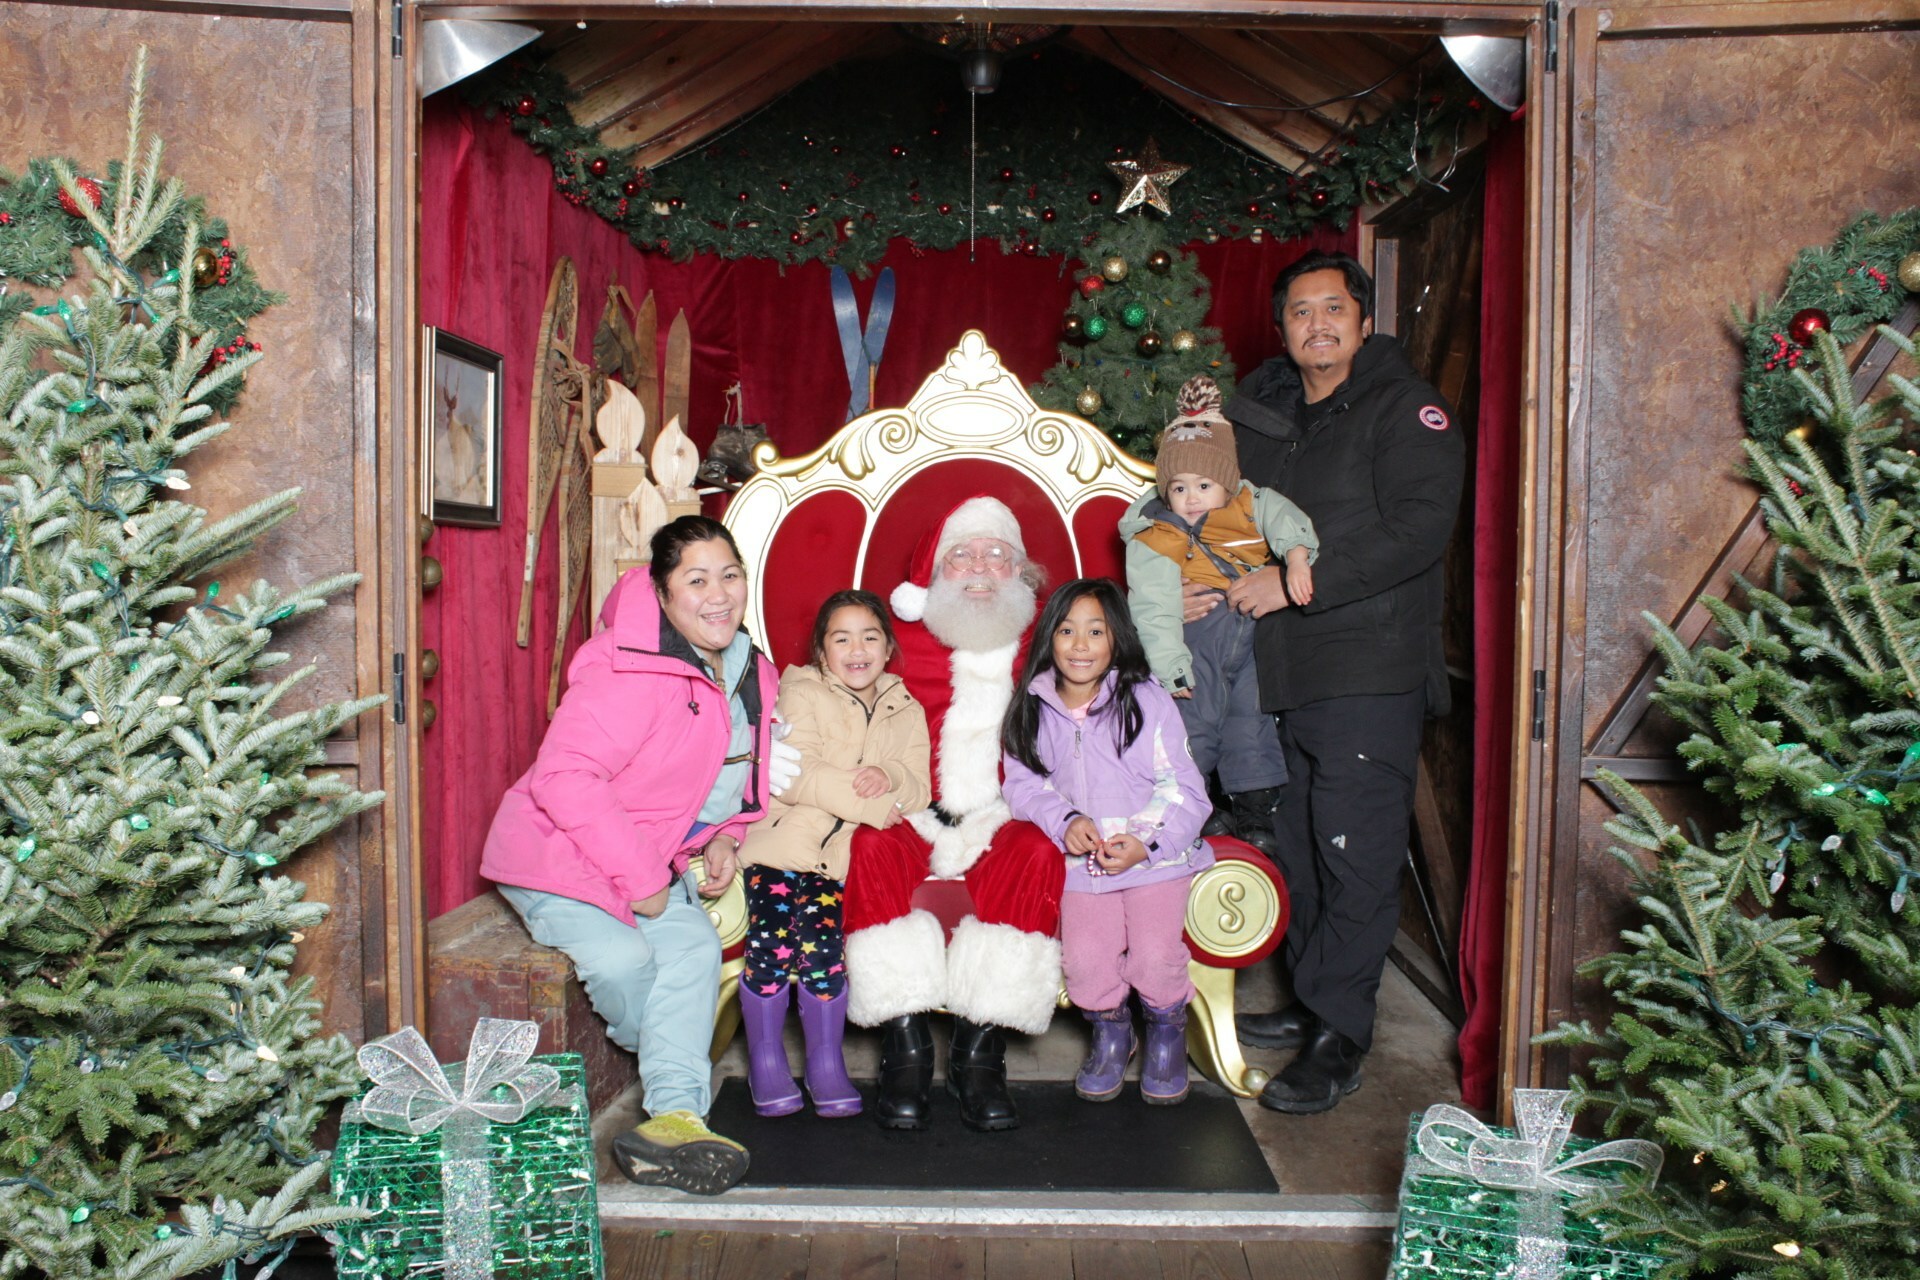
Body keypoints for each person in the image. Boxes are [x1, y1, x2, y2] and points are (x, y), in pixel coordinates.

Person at [1214, 249, 1465, 1115]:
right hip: (1280, 667)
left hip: (1367, 667)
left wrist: (1296, 583)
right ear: (1282, 329)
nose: (1316, 324)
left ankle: (1341, 1034)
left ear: (1363, 321)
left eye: (1332, 309)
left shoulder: (1405, 410)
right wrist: (1204, 579)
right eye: (1300, 312)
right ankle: (1315, 994)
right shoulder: (1272, 415)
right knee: (1300, 843)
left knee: (1354, 850)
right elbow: (1230, 522)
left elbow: (1420, 528)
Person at [479, 515, 777, 1194]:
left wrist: (724, 836)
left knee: (695, 948)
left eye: (730, 575)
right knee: (624, 961)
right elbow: (563, 778)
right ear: (663, 594)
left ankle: (675, 1120)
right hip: (556, 852)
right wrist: (644, 880)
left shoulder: (748, 672)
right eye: (696, 580)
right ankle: (676, 1077)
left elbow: (735, 779)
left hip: (646, 855)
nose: (719, 594)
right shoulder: (628, 669)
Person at [835, 495, 1065, 1133]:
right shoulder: (894, 635)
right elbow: (829, 681)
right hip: (911, 808)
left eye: (997, 554)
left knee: (1038, 852)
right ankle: (905, 1047)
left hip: (1006, 813)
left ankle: (978, 1053)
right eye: (962, 554)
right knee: (869, 847)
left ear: (1020, 571)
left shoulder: (1050, 636)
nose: (980, 568)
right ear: (935, 572)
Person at [1000, 579, 1214, 1106]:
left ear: (1117, 638)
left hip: (1155, 863)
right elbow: (1023, 785)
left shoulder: (1146, 699)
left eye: (1095, 632)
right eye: (1067, 631)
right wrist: (1065, 820)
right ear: (1049, 639)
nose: (1080, 645)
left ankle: (1166, 1032)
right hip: (1082, 866)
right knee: (1085, 963)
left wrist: (1145, 842)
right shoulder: (1033, 704)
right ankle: (1113, 1032)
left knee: (1155, 957)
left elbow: (1183, 788)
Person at [735, 590, 931, 1120]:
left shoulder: (905, 708)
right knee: (771, 947)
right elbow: (797, 772)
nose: (857, 649)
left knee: (824, 953)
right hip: (781, 848)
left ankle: (825, 1062)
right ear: (822, 652)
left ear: (887, 648)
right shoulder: (801, 691)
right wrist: (872, 804)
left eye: (870, 637)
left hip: (837, 858)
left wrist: (890, 774)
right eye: (841, 639)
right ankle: (766, 1061)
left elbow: (919, 788)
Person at [1119, 373, 1318, 856]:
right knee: (1195, 722)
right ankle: (1193, 805)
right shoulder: (1155, 534)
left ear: (1227, 483)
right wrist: (1170, 665)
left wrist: (1295, 558)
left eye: (1204, 485)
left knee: (1252, 720)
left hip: (1252, 637)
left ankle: (1255, 813)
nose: (1191, 498)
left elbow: (1286, 520)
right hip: (1197, 641)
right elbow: (1153, 607)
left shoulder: (1251, 504)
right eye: (1179, 487)